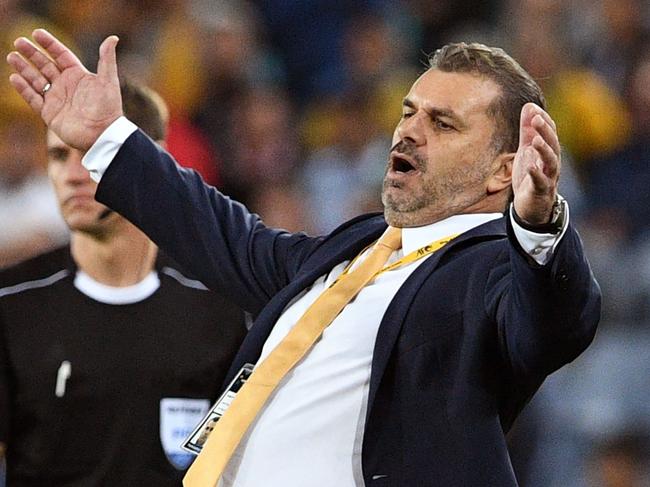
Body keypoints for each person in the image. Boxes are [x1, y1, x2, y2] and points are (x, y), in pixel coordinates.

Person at [7, 30, 601, 487]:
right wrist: (108, 136)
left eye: (442, 123)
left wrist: (539, 224)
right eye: (408, 111)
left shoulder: (492, 272)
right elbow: (223, 233)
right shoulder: (353, 249)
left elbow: (553, 323)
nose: (408, 132)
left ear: (506, 167)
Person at [0, 78, 247, 486]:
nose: (72, 175)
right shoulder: (12, 305)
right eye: (59, 156)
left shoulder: (222, 310)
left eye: (91, 154)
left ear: (153, 162)